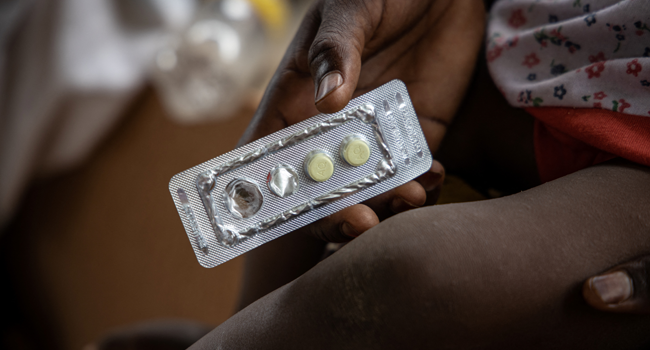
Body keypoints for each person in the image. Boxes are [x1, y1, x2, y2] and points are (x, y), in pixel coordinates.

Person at [187, 0, 650, 348]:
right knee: (311, 135)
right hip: (540, 23)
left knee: (414, 274)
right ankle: (240, 321)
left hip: (636, 161)